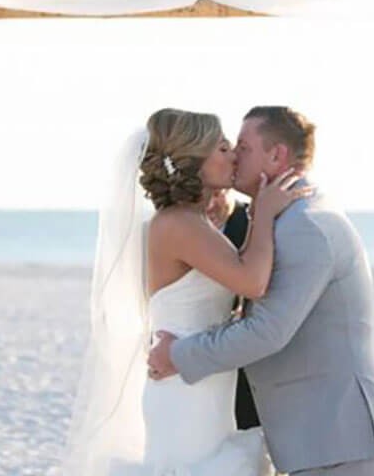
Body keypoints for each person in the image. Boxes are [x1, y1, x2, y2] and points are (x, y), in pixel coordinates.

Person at [148, 106, 374, 476]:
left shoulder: (304, 226)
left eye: (243, 147)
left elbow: (266, 331)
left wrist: (178, 355)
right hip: (315, 435)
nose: (234, 154)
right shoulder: (284, 218)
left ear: (276, 155)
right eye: (227, 147)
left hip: (330, 436)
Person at [61, 108, 309, 475]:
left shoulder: (193, 222)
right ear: (195, 161)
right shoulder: (178, 224)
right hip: (185, 388)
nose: (233, 156)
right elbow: (252, 281)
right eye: (223, 148)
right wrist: (266, 212)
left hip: (201, 379)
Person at [206, 188, 262, 431]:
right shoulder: (173, 225)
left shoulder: (254, 221)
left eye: (218, 193)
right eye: (203, 192)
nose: (210, 203)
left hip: (243, 370)